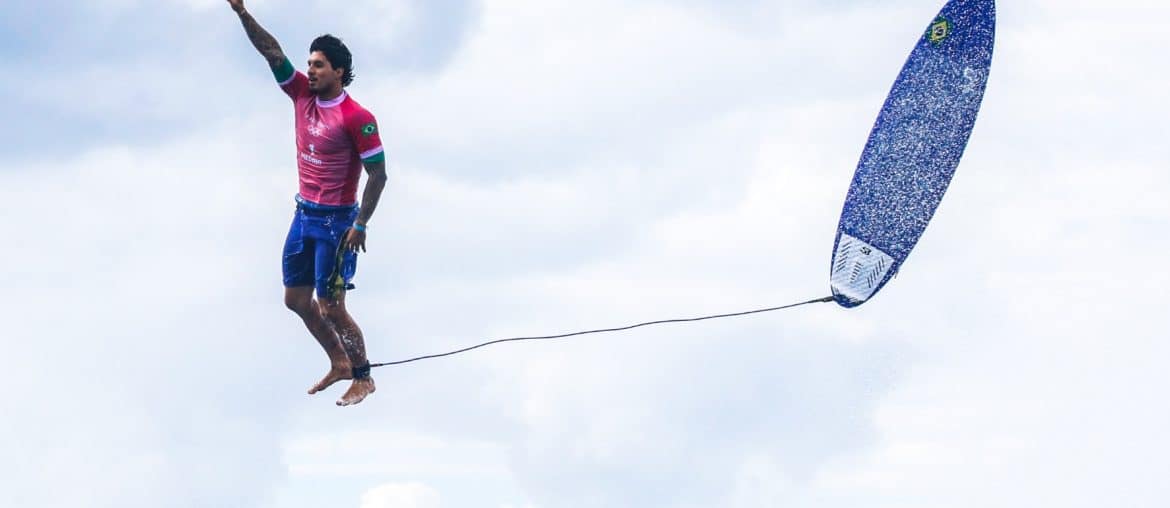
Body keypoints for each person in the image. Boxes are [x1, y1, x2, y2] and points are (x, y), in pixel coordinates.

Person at [227, 0, 388, 406]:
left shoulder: (356, 117)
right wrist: (242, 13)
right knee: (296, 300)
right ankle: (339, 361)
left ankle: (363, 376)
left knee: (331, 306)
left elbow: (379, 175)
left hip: (337, 223)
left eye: (319, 65)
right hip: (304, 215)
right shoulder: (301, 94)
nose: (310, 70)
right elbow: (272, 53)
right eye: (309, 64)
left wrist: (361, 223)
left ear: (338, 71)